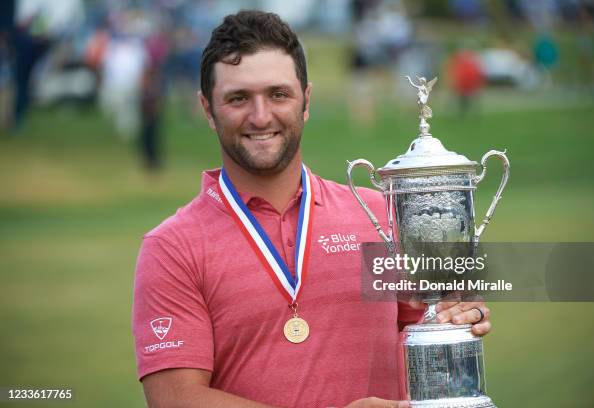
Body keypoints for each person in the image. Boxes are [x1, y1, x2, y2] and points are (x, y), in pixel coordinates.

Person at [132, 10, 491, 408]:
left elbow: (422, 324)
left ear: (306, 101)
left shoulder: (379, 215)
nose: (261, 115)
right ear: (207, 109)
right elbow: (174, 399)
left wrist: (455, 319)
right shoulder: (172, 248)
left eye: (278, 94)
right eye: (238, 98)